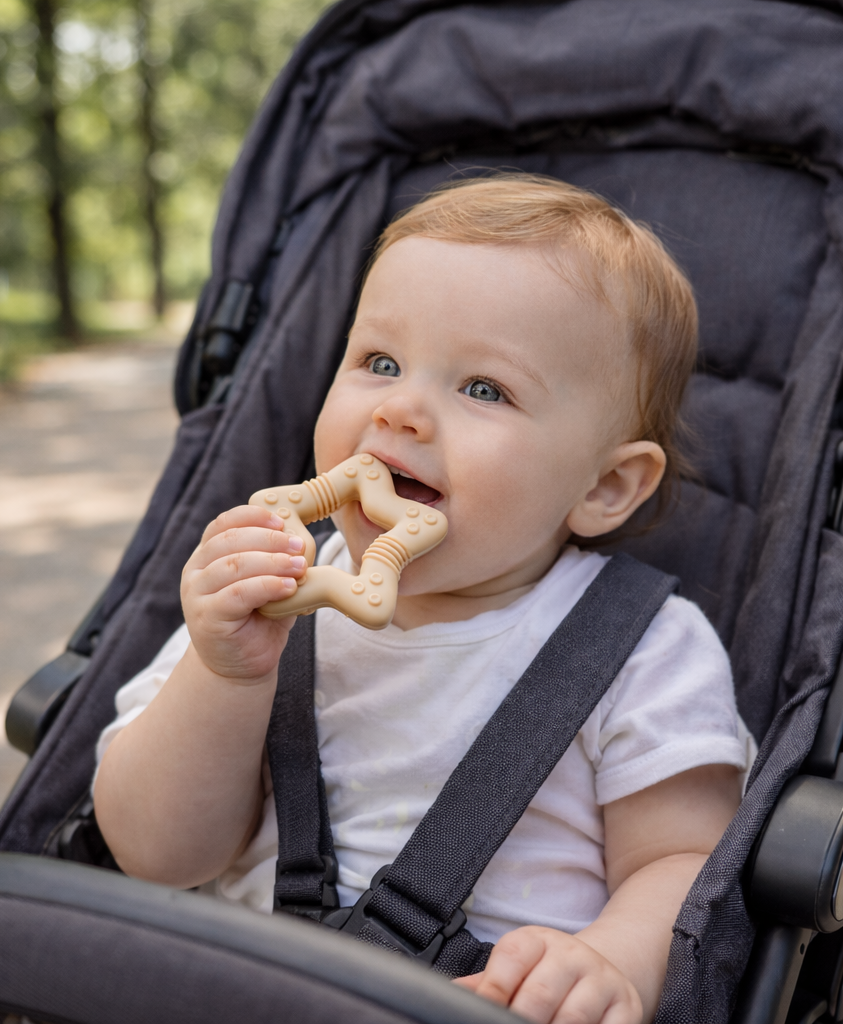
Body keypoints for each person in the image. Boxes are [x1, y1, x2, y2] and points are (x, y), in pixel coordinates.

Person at [93, 175, 752, 1024]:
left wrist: (610, 963)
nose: (400, 409)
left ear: (605, 487)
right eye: (379, 363)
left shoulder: (647, 650)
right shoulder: (263, 595)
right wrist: (225, 676)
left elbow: (684, 864)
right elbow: (155, 855)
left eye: (484, 389)